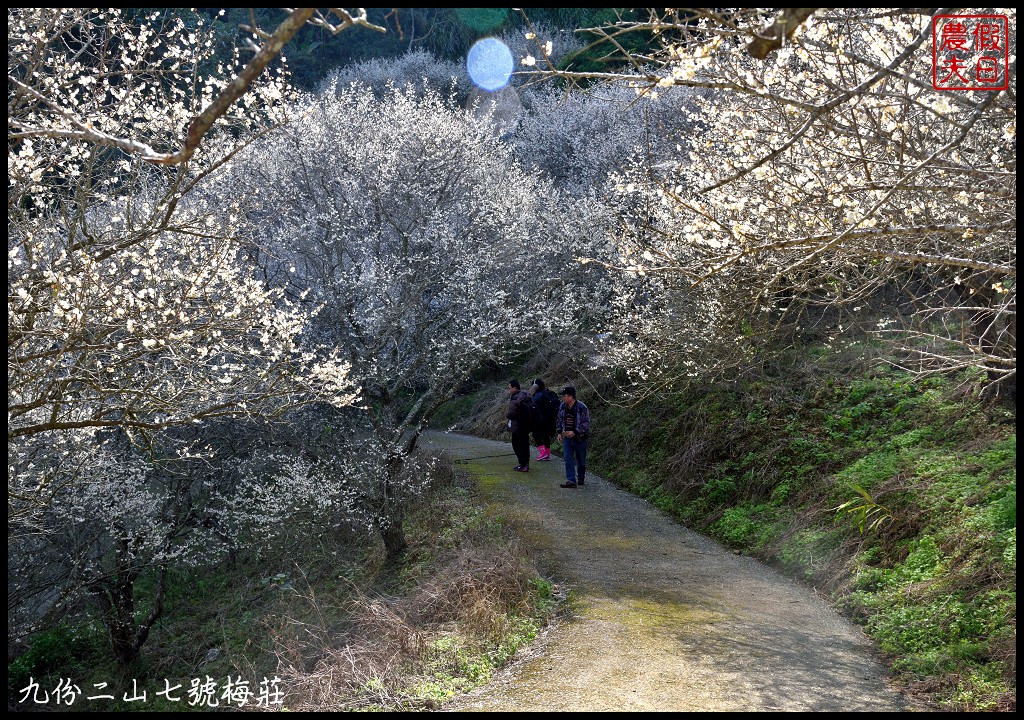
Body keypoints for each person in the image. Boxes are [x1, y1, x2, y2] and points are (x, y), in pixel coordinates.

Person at [556, 385, 590, 488]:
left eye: (564, 396)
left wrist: (575, 432)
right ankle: (571, 480)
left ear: (570, 396)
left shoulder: (582, 407)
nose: (563, 398)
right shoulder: (562, 406)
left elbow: (586, 424)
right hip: (567, 437)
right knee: (567, 458)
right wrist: (559, 432)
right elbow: (560, 419)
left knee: (581, 461)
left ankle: (581, 477)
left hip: (580, 438)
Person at [506, 379, 533, 472]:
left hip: (518, 425)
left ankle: (523, 464)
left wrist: (507, 416)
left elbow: (511, 413)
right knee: (525, 444)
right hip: (526, 425)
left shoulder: (515, 398)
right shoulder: (525, 396)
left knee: (516, 444)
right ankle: (526, 463)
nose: (508, 390)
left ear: (514, 388)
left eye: (509, 388)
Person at [531, 378, 559, 462]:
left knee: (536, 434)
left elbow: (532, 405)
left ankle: (542, 452)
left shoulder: (538, 395)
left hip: (540, 419)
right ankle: (547, 454)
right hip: (550, 419)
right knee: (546, 435)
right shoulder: (549, 393)